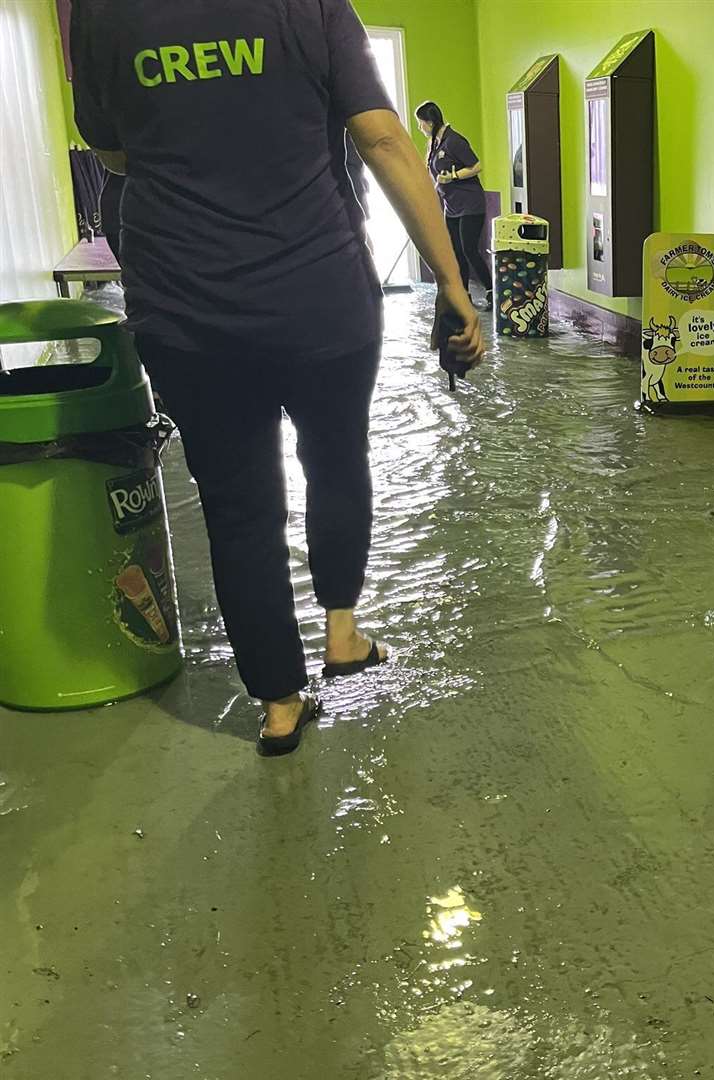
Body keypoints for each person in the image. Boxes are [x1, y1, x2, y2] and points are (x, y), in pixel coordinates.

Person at [70, 0, 484, 756]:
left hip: (187, 307)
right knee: (335, 462)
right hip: (319, 295)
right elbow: (385, 138)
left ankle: (279, 702)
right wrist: (452, 281)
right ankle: (343, 633)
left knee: (237, 508)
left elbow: (116, 153)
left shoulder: (101, 10)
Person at [414, 100, 493, 309]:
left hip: (470, 204)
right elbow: (429, 170)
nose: (420, 128)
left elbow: (476, 166)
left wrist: (454, 176)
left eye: (421, 123)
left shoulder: (454, 141)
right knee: (455, 251)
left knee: (469, 250)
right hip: (451, 206)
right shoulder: (433, 143)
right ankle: (463, 294)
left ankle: (492, 291)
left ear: (430, 122)